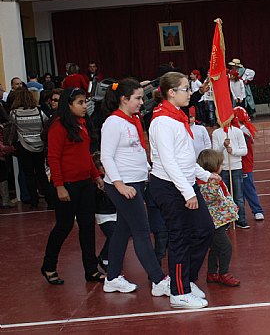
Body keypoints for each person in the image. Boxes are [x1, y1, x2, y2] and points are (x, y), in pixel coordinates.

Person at [148, 72, 217, 308]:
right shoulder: (162, 122)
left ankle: (186, 279)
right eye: (185, 89)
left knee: (205, 229)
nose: (190, 93)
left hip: (185, 183)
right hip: (170, 186)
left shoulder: (177, 117)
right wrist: (188, 192)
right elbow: (168, 162)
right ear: (171, 93)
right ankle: (178, 292)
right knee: (179, 237)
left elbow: (185, 159)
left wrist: (206, 175)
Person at [100, 79, 172, 296]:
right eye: (138, 98)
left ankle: (112, 277)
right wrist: (120, 184)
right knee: (141, 231)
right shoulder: (113, 123)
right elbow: (106, 156)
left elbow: (137, 151)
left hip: (136, 182)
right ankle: (159, 280)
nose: (142, 102)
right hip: (123, 184)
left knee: (123, 230)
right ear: (124, 99)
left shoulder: (132, 120)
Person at [41, 87, 106, 285]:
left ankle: (91, 269)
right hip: (67, 185)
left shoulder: (81, 124)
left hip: (85, 184)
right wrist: (59, 186)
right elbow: (53, 158)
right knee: (64, 226)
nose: (84, 106)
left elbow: (85, 154)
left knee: (87, 227)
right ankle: (49, 266)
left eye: (84, 101)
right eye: (79, 102)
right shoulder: (58, 126)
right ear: (68, 105)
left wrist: (95, 175)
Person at [198, 149, 241, 287]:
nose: (222, 167)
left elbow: (224, 196)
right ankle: (224, 273)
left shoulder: (216, 180)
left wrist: (232, 207)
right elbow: (210, 198)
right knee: (225, 247)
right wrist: (213, 184)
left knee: (215, 248)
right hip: (213, 222)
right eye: (220, 164)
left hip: (220, 220)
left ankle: (212, 273)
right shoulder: (205, 184)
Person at [10, 88, 49, 209]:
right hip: (39, 145)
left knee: (29, 174)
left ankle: (34, 201)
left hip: (23, 145)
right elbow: (46, 122)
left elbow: (12, 128)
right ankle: (50, 200)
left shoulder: (15, 113)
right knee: (41, 173)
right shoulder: (38, 111)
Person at [212, 120, 250, 229]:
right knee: (224, 196)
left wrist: (233, 151)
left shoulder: (237, 132)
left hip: (236, 167)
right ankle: (227, 221)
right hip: (223, 168)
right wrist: (223, 146)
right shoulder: (216, 133)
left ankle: (241, 219)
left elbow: (244, 150)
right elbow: (215, 152)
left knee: (238, 196)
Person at [233, 106, 265, 221]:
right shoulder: (234, 129)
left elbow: (242, 147)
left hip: (244, 165)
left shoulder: (244, 130)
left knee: (248, 189)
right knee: (234, 191)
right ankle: (235, 214)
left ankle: (257, 210)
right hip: (233, 164)